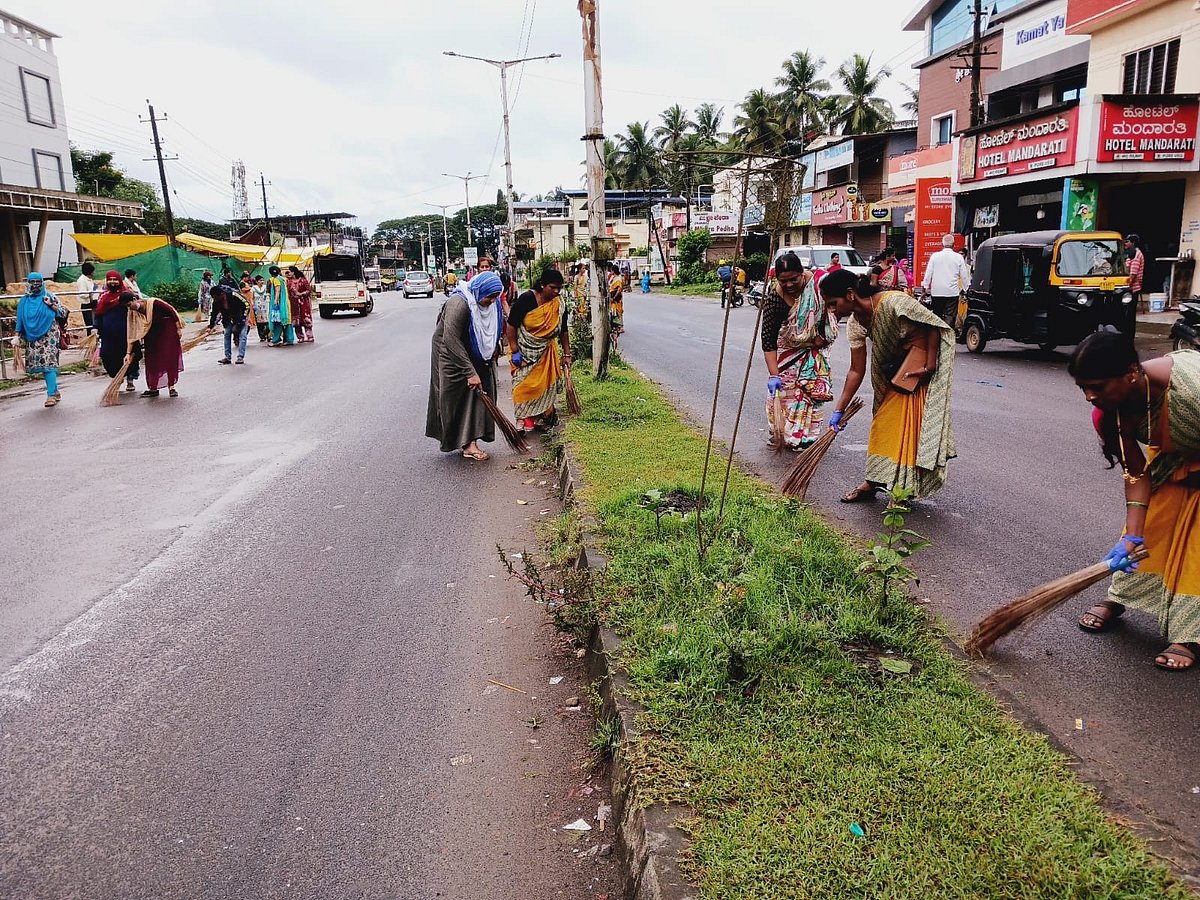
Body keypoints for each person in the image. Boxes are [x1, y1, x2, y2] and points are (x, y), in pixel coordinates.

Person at [1069, 332, 1200, 670]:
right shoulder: (1111, 411)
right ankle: (1120, 597)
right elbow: (1136, 474)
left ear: (1131, 373)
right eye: (1083, 387)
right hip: (1177, 456)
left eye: (1096, 386)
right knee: (1149, 529)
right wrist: (1132, 537)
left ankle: (1187, 636)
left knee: (1196, 547)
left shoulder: (1192, 393)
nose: (1089, 396)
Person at [821, 270, 956, 502]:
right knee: (882, 428)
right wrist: (838, 410)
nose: (832, 310)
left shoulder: (893, 302)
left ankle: (902, 490)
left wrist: (930, 365)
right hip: (892, 376)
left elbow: (933, 325)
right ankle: (873, 482)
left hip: (916, 374)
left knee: (908, 434)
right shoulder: (855, 325)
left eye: (833, 304)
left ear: (850, 294)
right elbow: (856, 370)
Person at [426, 270, 506, 461]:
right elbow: (450, 339)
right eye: (490, 297)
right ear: (479, 290)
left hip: (476, 351)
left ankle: (471, 442)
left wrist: (495, 347)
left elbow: (495, 327)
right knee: (454, 396)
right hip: (449, 352)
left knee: (482, 392)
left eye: (496, 297)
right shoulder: (459, 303)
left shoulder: (491, 305)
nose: (492, 301)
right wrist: (469, 372)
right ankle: (463, 441)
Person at [761, 252, 837, 450]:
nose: (789, 285)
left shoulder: (821, 285)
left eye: (793, 279)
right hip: (788, 353)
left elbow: (837, 309)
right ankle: (779, 432)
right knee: (782, 395)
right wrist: (773, 375)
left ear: (802, 272)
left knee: (810, 393)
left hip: (814, 352)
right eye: (783, 281)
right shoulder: (774, 299)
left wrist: (823, 336)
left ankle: (806, 437)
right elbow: (768, 340)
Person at [506, 268, 569, 433]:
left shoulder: (559, 304)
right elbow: (511, 324)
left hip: (546, 352)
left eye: (559, 288)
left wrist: (567, 354)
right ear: (542, 285)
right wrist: (515, 350)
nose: (556, 291)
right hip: (524, 350)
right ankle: (520, 422)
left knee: (544, 386)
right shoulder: (527, 299)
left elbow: (563, 331)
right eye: (552, 287)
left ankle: (541, 419)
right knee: (521, 387)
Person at [15, 272, 69, 408]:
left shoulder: (49, 296)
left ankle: (50, 395)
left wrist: (51, 305)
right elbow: (20, 318)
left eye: (38, 282)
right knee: (42, 366)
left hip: (49, 335)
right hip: (32, 336)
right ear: (27, 283)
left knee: (48, 364)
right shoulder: (24, 301)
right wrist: (17, 335)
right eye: (32, 282)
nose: (35, 285)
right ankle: (55, 390)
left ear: (42, 283)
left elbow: (62, 312)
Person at [120, 290, 184, 398]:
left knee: (169, 358)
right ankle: (153, 388)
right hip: (151, 334)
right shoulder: (133, 313)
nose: (129, 308)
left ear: (135, 299)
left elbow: (171, 312)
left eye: (129, 304)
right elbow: (132, 333)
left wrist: (178, 329)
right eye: (127, 306)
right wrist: (128, 353)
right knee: (152, 359)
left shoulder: (154, 303)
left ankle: (171, 387)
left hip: (167, 331)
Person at [94, 270, 139, 392]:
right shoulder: (103, 296)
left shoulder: (126, 294)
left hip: (126, 331)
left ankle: (130, 379)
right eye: (110, 279)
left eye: (115, 279)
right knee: (108, 355)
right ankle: (117, 378)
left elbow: (136, 309)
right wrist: (95, 327)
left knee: (129, 354)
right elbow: (98, 313)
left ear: (119, 280)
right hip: (108, 333)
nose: (112, 282)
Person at [921, 234, 970, 326]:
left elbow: (928, 275)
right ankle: (947, 335)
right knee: (950, 317)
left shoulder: (934, 256)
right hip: (952, 293)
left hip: (937, 292)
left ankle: (937, 336)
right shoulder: (958, 257)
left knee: (937, 317)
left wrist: (924, 290)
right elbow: (964, 276)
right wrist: (966, 288)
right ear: (953, 245)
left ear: (942, 244)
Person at [209, 281, 249, 364]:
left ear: (222, 294)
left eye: (216, 297)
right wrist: (211, 326)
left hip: (241, 315)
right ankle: (227, 357)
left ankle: (240, 357)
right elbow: (214, 313)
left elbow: (247, 304)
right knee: (227, 334)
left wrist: (244, 318)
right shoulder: (216, 301)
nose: (215, 299)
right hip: (228, 317)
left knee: (242, 335)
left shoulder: (234, 295)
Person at [267, 265, 295, 346]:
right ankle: (290, 339)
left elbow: (277, 291)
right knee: (287, 321)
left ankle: (275, 340)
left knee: (277, 321)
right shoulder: (283, 279)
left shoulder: (276, 280)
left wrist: (275, 302)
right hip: (286, 302)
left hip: (280, 304)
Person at [288, 266, 314, 343]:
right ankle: (300, 337)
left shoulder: (303, 281)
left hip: (304, 303)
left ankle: (310, 336)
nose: (288, 274)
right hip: (294, 304)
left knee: (306, 319)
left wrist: (301, 294)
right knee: (296, 321)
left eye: (289, 272)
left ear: (293, 272)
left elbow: (309, 290)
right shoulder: (289, 283)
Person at [76, 262, 98, 335]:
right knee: (90, 325)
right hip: (87, 304)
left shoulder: (89, 279)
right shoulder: (82, 280)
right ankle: (90, 341)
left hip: (92, 303)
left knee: (95, 324)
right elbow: (82, 294)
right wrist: (92, 291)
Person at [1125, 234, 1146, 308]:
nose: (1125, 243)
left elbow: (1133, 274)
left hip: (1133, 288)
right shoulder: (1131, 253)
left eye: (1127, 241)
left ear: (1133, 242)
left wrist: (1126, 286)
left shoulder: (1136, 255)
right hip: (1131, 287)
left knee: (1130, 311)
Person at [608, 262, 625, 346]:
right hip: (612, 297)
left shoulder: (619, 278)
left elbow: (619, 289)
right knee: (613, 312)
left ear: (614, 271)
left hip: (616, 298)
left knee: (618, 311)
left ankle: (620, 326)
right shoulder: (613, 277)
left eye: (611, 270)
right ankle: (615, 326)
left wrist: (614, 297)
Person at [251, 275, 270, 342]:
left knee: (267, 321)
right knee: (259, 323)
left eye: (262, 280)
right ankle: (262, 336)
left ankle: (268, 335)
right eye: (260, 280)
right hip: (258, 307)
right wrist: (253, 305)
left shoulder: (265, 287)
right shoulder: (253, 288)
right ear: (256, 281)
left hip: (266, 306)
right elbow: (252, 297)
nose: (262, 282)